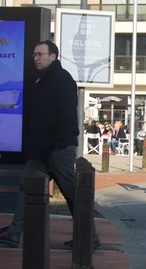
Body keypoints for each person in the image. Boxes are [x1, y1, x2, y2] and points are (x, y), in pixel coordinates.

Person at [0, 40, 99, 249]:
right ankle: (13, 233)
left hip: (57, 149)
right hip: (41, 150)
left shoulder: (61, 79)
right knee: (27, 188)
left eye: (40, 54)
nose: (35, 58)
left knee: (71, 192)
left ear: (53, 56)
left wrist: (61, 145)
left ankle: (89, 236)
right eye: (34, 54)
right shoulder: (44, 79)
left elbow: (68, 117)